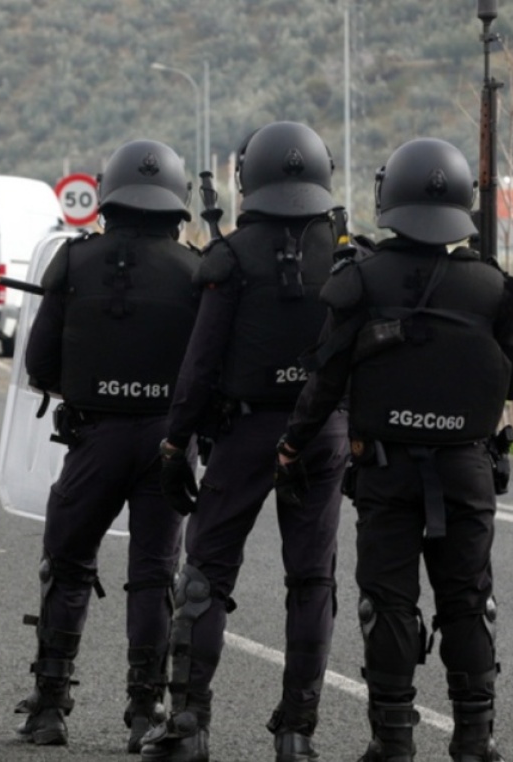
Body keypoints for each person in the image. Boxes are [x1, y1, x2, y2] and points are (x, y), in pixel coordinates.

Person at [277, 138, 513, 762]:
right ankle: (475, 741)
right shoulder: (492, 286)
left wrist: (291, 446)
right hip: (468, 467)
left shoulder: (361, 280)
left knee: (388, 603)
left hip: (385, 469)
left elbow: (326, 378)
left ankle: (393, 742)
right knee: (469, 601)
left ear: (388, 198)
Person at [143, 122, 350, 762]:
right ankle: (296, 734)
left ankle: (187, 727)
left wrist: (176, 444)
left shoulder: (230, 257)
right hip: (322, 432)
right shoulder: (349, 256)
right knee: (312, 580)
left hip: (244, 430)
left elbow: (200, 365)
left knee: (206, 574)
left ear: (247, 178)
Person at [13, 139, 201, 752]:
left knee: (66, 566)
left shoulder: (73, 261)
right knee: (153, 575)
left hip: (93, 437)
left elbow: (39, 363)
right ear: (176, 202)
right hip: (168, 442)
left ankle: (49, 707)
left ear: (109, 196)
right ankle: (145, 712)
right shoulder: (197, 271)